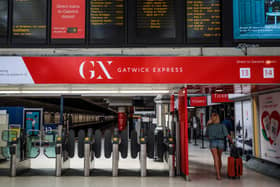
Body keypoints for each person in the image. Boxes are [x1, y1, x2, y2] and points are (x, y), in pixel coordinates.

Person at [206, 111, 233, 180]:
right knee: (219, 158)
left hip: (213, 142)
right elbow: (227, 135)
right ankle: (219, 172)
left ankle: (218, 175)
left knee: (216, 158)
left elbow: (207, 136)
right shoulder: (222, 125)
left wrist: (207, 125)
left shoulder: (209, 126)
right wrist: (232, 141)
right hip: (221, 142)